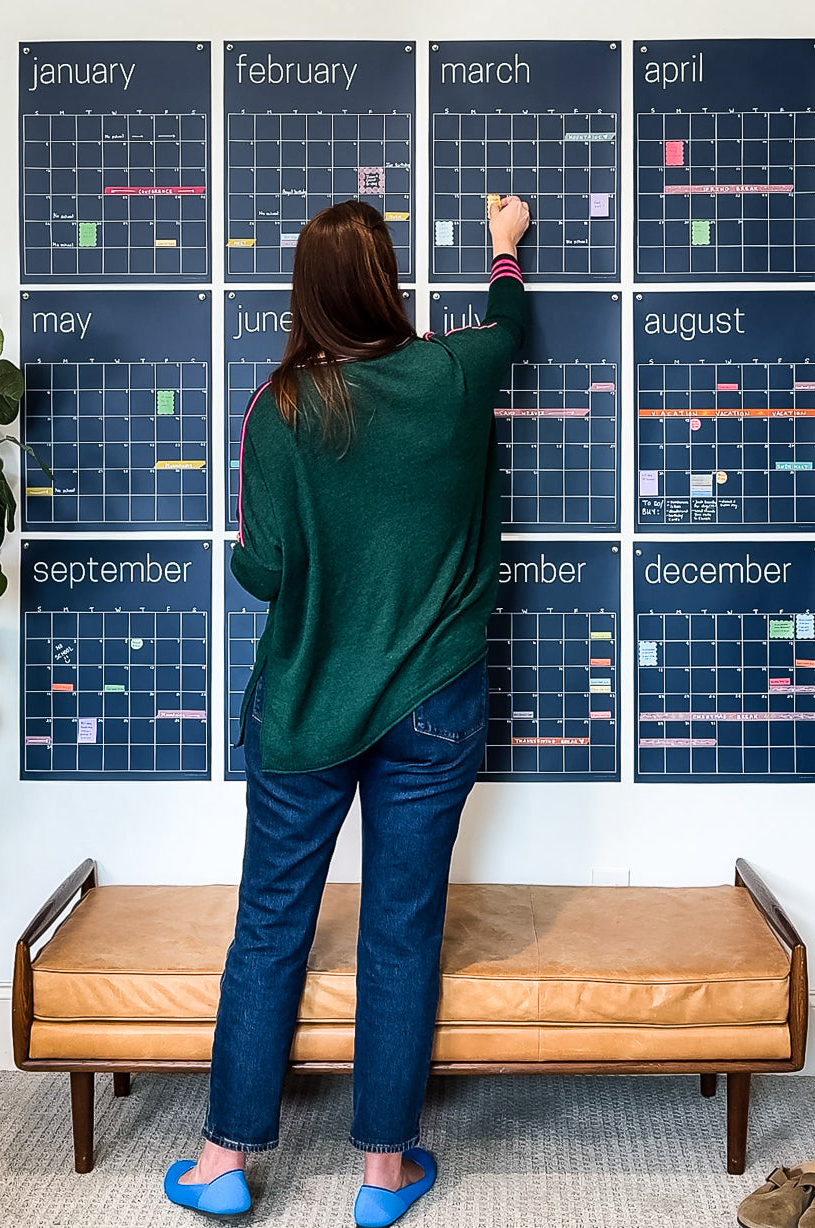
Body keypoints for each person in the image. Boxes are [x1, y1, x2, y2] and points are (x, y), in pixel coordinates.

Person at [164, 194, 530, 1225]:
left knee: (271, 926)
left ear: (303, 292)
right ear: (387, 279)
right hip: (435, 704)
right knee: (401, 930)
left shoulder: (277, 408)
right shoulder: (455, 375)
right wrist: (503, 251)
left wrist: (267, 544)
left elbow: (265, 573)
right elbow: (509, 328)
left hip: (308, 704)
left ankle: (221, 1158)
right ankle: (381, 1175)